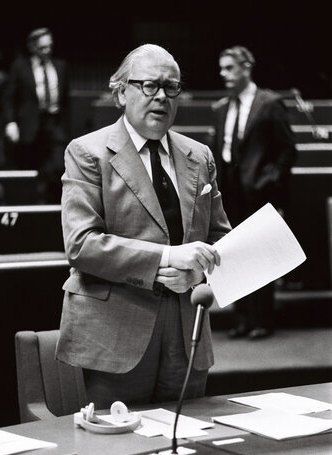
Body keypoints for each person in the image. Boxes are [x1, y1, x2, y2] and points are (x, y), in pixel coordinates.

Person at [55, 43, 231, 409]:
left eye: (172, 87)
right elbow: (82, 245)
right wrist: (169, 257)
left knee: (189, 450)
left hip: (187, 337)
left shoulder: (199, 156)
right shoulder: (87, 152)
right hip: (115, 334)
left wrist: (197, 276)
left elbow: (219, 241)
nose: (162, 97)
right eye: (150, 86)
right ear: (121, 92)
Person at [212, 45, 297, 340]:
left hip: (259, 192)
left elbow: (287, 150)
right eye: (221, 68)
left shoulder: (269, 103)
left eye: (229, 68)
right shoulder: (221, 108)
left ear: (246, 68)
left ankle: (262, 319)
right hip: (230, 192)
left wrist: (269, 181)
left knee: (260, 256)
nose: (223, 74)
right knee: (235, 256)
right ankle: (242, 318)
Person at [2, 27, 70, 203]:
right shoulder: (20, 67)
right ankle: (33, 205)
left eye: (50, 46)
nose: (47, 51)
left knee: (57, 166)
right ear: (32, 47)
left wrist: (66, 128)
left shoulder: (61, 66)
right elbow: (9, 98)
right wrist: (11, 123)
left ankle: (53, 204)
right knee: (31, 169)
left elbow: (66, 101)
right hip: (30, 125)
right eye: (42, 47)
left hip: (54, 124)